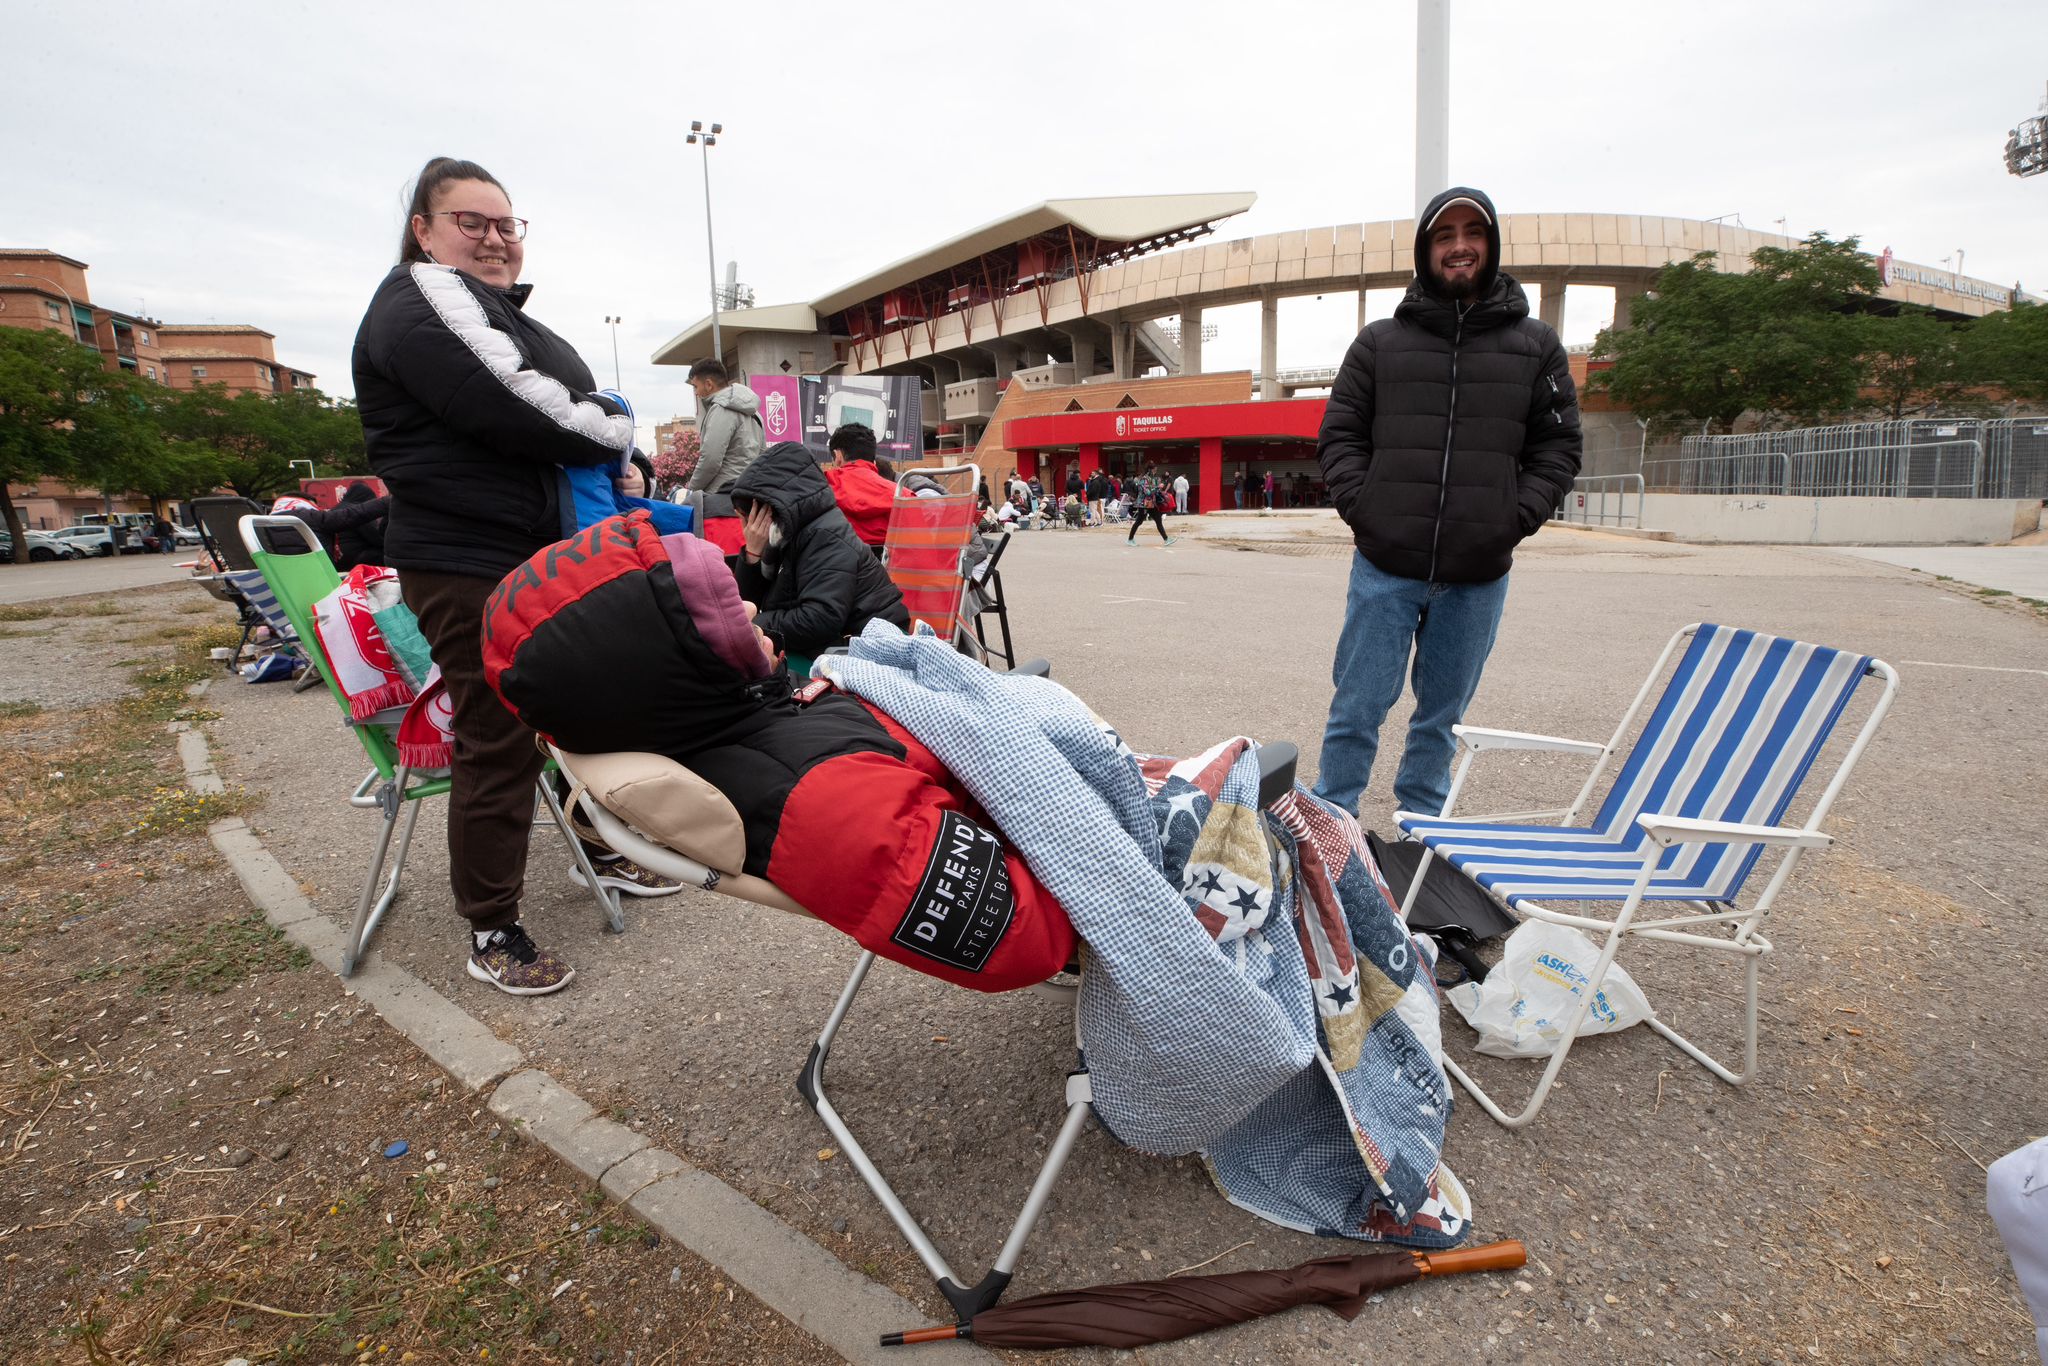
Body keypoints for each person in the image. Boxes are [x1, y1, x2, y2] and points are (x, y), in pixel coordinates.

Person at [482, 518, 1075, 992]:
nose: (746, 608)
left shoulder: (730, 721)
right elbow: (1025, 935)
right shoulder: (824, 803)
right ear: (660, 674)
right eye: (714, 609)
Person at [353, 154, 676, 996]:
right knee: (497, 732)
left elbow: (551, 409)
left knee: (577, 698)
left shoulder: (483, 308)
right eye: (472, 222)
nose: (495, 239)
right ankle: (492, 926)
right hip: (464, 556)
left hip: (526, 551)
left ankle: (598, 846)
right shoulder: (420, 296)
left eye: (506, 224)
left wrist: (617, 447)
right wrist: (614, 424)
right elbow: (519, 403)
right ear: (423, 230)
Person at [1311, 186, 1581, 820]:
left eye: (1473, 233)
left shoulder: (1535, 345)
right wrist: (1367, 509)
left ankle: (1423, 836)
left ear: (1489, 246)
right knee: (1357, 705)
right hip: (1386, 566)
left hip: (1476, 575)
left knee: (1442, 720)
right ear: (1425, 250)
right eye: (1445, 235)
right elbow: (1340, 436)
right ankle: (1330, 828)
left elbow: (1559, 447)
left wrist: (1509, 521)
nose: (1460, 246)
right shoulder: (1379, 344)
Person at [732, 441, 909, 667]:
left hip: (872, 645)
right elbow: (749, 603)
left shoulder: (825, 535)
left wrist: (753, 624)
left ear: (770, 508)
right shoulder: (789, 533)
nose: (747, 526)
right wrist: (753, 553)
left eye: (748, 515)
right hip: (834, 641)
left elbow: (819, 619)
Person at [686, 359, 764, 497]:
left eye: (695, 387)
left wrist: (692, 488)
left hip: (722, 493)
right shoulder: (753, 412)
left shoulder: (721, 409)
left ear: (709, 384)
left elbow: (711, 459)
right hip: (749, 491)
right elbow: (762, 453)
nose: (696, 393)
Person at [821, 422, 897, 553]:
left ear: (838, 456)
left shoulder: (819, 487)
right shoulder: (904, 496)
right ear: (873, 460)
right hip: (890, 571)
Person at [331, 480, 389, 569]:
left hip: (336, 559)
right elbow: (375, 538)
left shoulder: (335, 509)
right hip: (355, 559)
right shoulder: (357, 511)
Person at [1125, 465, 1174, 547]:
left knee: (1158, 520)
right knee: (1138, 522)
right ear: (1149, 470)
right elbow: (1148, 492)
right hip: (1143, 504)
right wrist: (1158, 487)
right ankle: (1130, 539)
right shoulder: (1144, 479)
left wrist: (1158, 489)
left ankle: (1166, 539)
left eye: (1156, 470)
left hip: (1151, 504)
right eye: (1154, 470)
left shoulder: (1151, 479)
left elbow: (1153, 490)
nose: (1155, 472)